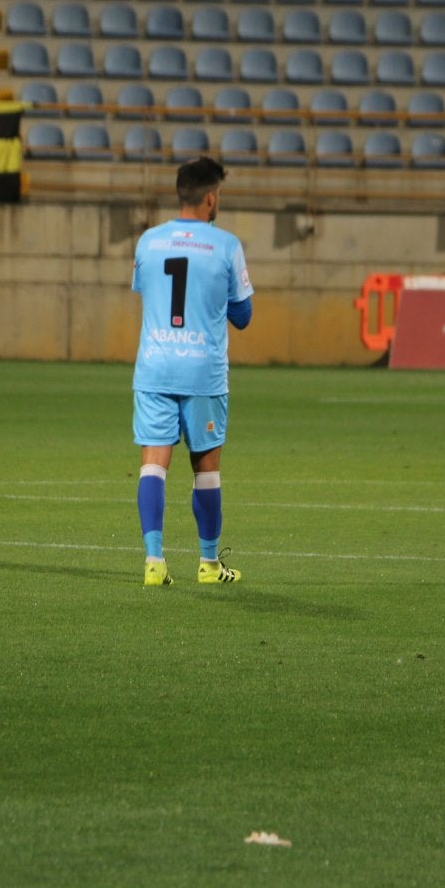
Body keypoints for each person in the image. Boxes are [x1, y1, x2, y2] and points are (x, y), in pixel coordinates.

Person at [131, 157, 254, 588]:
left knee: (152, 466)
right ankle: (207, 564)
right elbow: (244, 315)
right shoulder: (225, 245)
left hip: (155, 365)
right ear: (210, 197)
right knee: (206, 469)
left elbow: (148, 292)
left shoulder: (148, 241)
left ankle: (153, 561)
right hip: (202, 370)